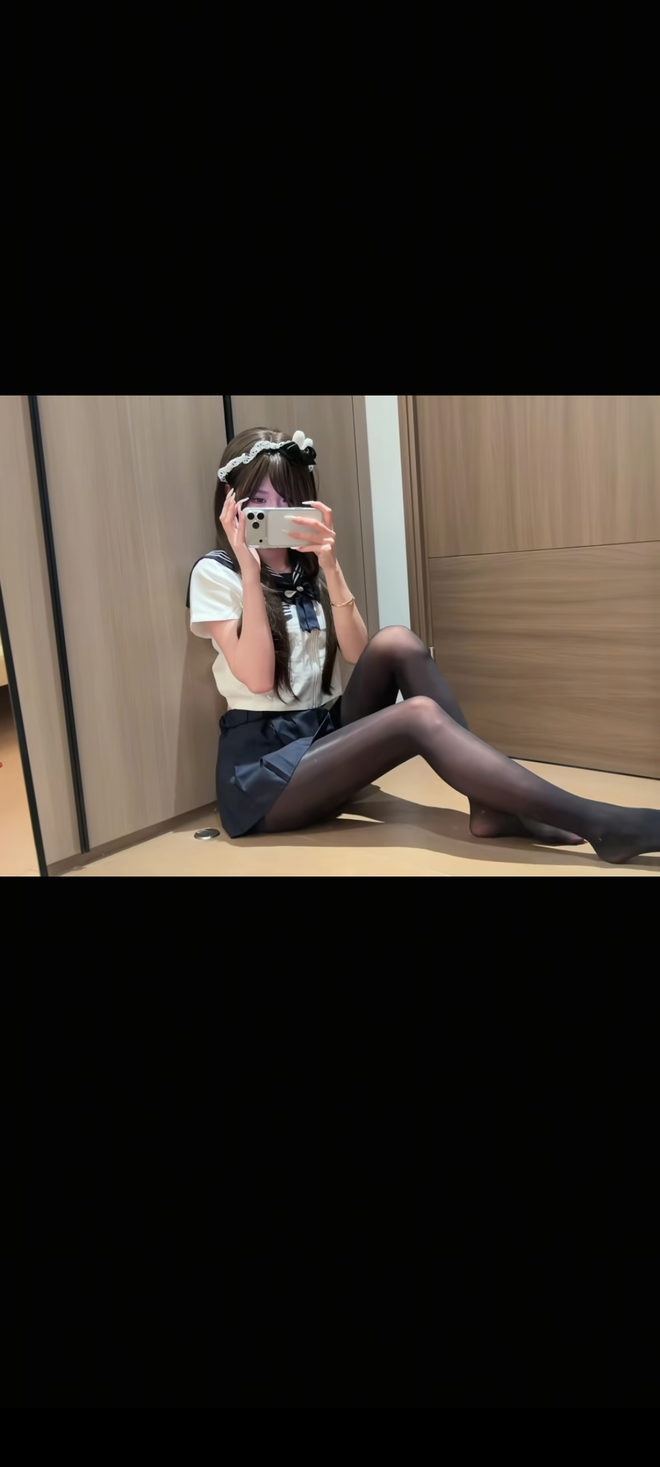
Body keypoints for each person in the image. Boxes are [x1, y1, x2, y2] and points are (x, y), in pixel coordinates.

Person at [187, 426, 660, 864]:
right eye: (259, 501)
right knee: (416, 716)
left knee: (397, 641)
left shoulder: (304, 568)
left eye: (287, 500)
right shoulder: (216, 573)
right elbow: (259, 679)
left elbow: (358, 654)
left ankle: (489, 805)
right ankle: (601, 823)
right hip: (264, 776)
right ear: (232, 506)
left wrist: (330, 565)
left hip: (320, 738)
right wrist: (250, 570)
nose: (273, 513)